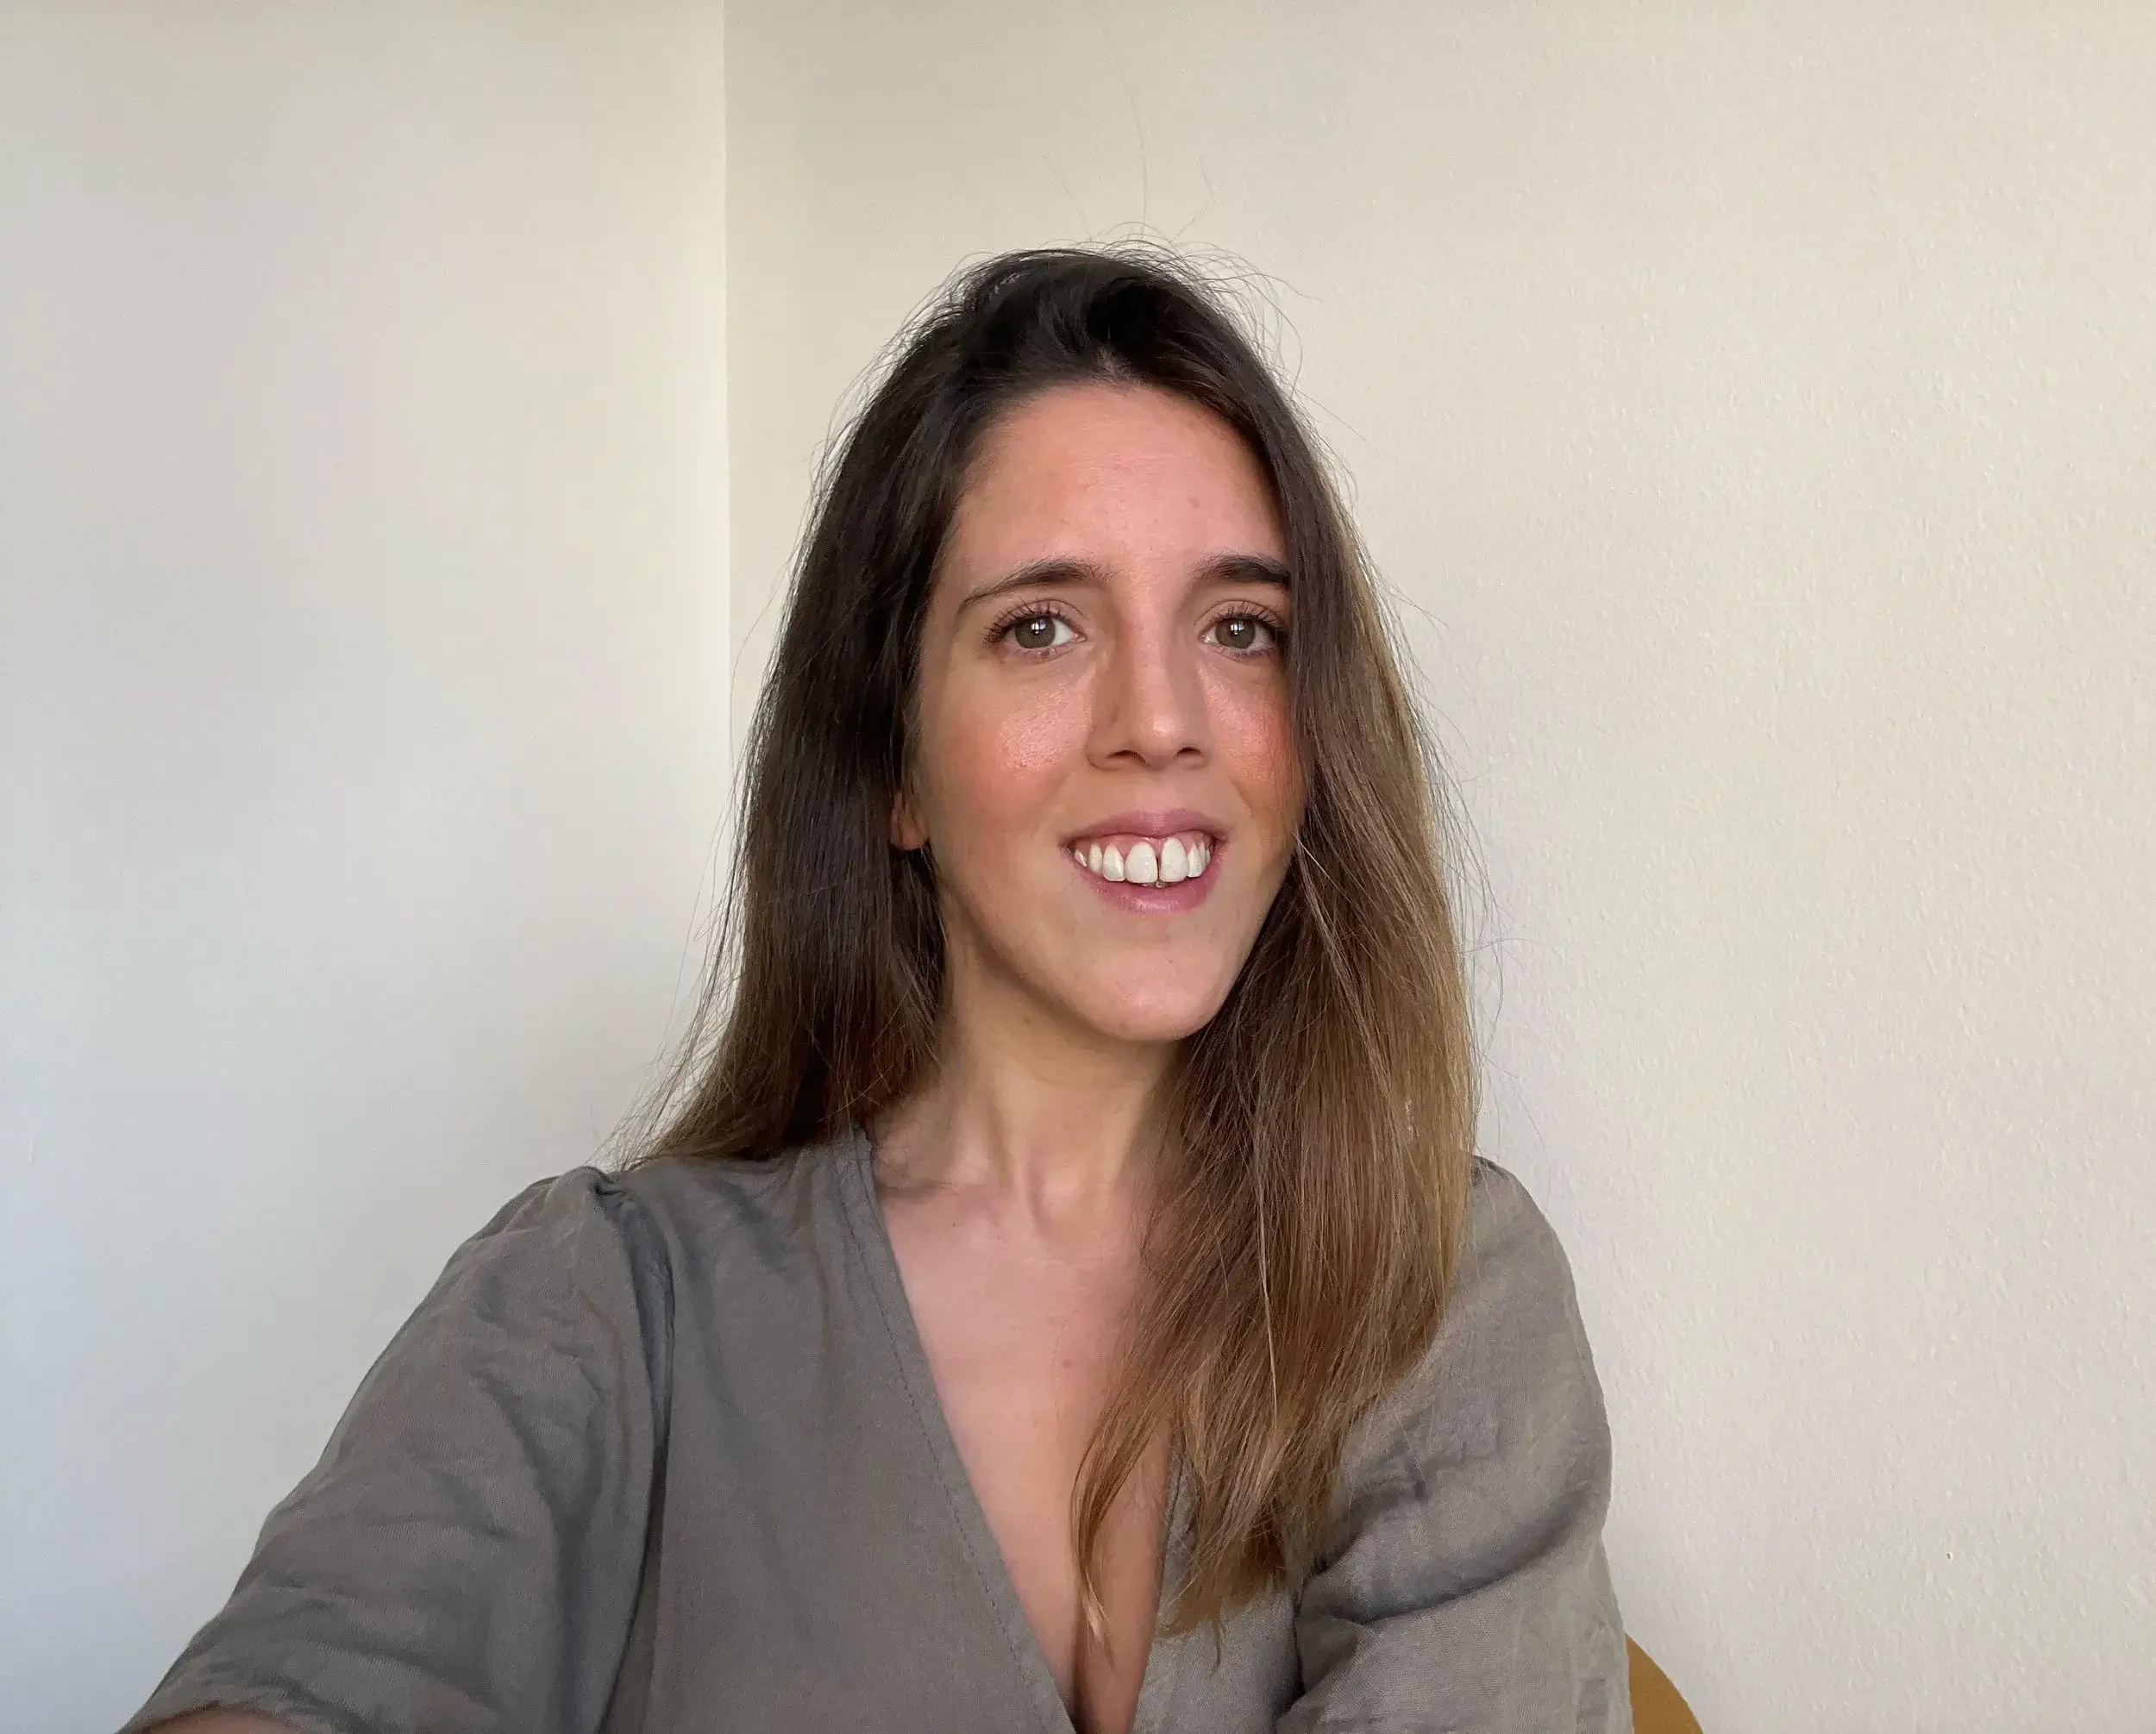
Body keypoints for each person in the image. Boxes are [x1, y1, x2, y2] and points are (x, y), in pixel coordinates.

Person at [126, 245, 1630, 1734]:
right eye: (1042, 625)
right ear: (894, 764)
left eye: (1241, 628)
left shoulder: (1436, 1285)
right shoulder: (600, 1311)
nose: (1163, 719)